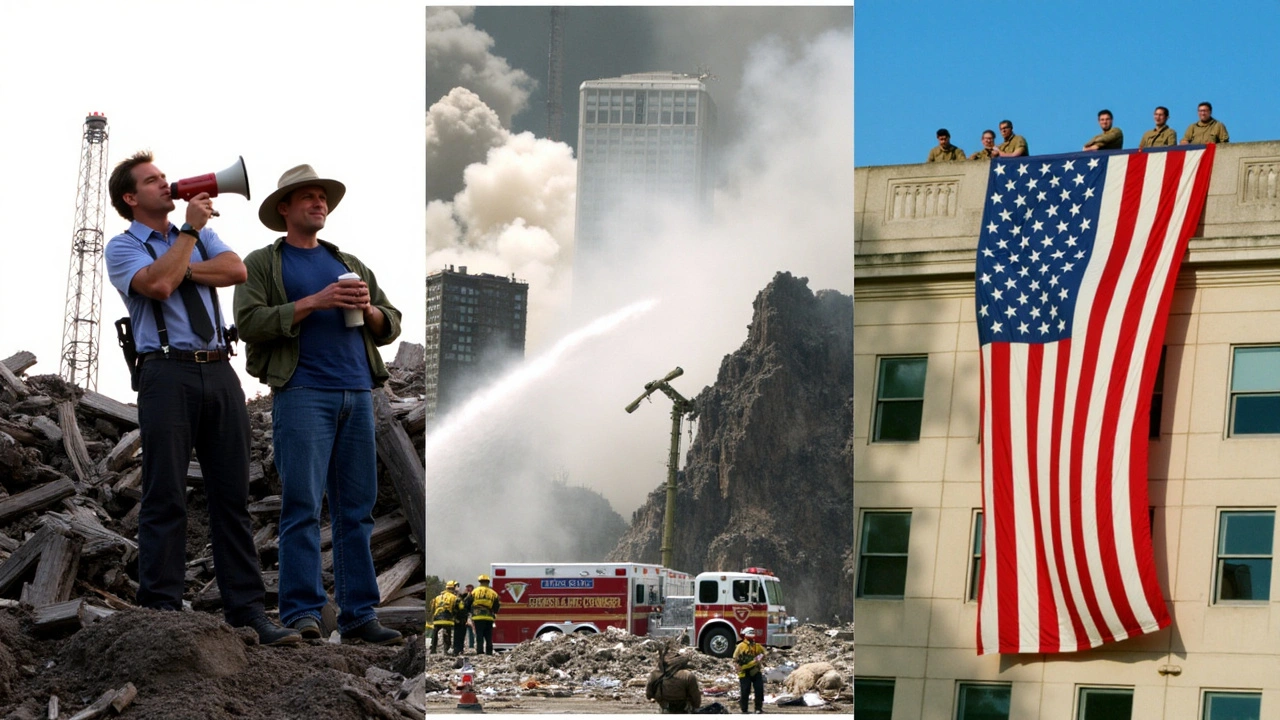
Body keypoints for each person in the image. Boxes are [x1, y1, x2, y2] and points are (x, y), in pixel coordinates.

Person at [104, 151, 300, 646]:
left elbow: (235, 271)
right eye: (153, 181)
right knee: (165, 492)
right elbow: (159, 283)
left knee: (231, 496)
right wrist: (190, 240)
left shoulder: (199, 237)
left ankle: (247, 610)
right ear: (131, 197)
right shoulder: (123, 247)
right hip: (165, 373)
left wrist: (186, 260)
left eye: (165, 178)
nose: (166, 186)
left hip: (218, 370)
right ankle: (162, 608)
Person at [233, 164, 404, 646]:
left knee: (357, 511)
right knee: (302, 506)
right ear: (284, 208)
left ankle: (358, 615)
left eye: (323, 197)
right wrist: (316, 301)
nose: (319, 203)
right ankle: (302, 613)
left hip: (358, 393)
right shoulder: (264, 263)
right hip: (303, 392)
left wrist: (369, 310)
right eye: (307, 197)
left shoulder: (348, 261)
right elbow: (249, 322)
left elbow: (391, 321)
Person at [733, 627, 767, 714]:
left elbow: (764, 654)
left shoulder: (757, 646)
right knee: (745, 690)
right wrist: (738, 666)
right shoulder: (740, 646)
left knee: (759, 689)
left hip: (755, 671)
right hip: (744, 672)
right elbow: (735, 658)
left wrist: (757, 659)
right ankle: (744, 709)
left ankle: (758, 708)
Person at [468, 574, 502, 655]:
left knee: (479, 635)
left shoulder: (474, 591)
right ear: (488, 582)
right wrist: (494, 612)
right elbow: (496, 606)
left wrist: (471, 612)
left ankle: (480, 652)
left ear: (480, 582)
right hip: (489, 617)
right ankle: (489, 652)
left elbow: (467, 603)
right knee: (488, 635)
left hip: (478, 617)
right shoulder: (493, 593)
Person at [430, 581, 461, 654]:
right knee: (447, 633)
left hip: (437, 618)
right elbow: (458, 608)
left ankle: (433, 649)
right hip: (447, 619)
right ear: (453, 588)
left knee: (435, 633)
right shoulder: (454, 597)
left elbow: (432, 608)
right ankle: (446, 650)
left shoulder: (438, 597)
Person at [452, 582, 471, 655]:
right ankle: (456, 650)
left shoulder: (465, 600)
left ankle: (460, 649)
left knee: (461, 635)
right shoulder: (457, 600)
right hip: (458, 620)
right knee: (457, 636)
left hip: (463, 620)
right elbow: (454, 610)